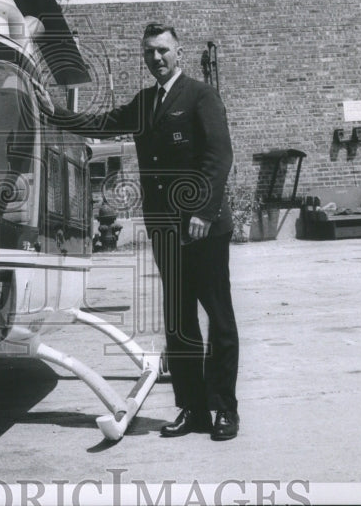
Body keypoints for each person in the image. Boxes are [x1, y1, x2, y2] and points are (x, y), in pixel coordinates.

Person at [35, 23, 239, 441]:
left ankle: (224, 409)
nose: (157, 59)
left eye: (163, 50)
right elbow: (104, 122)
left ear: (179, 52)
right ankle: (193, 408)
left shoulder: (201, 95)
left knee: (218, 318)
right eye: (149, 52)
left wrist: (202, 210)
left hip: (204, 227)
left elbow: (219, 156)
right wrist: (51, 111)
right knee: (179, 321)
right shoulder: (147, 103)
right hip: (165, 229)